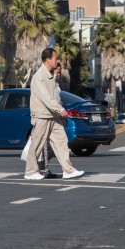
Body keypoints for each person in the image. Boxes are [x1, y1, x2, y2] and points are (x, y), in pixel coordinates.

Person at [25, 48, 84, 180]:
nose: (57, 61)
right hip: (42, 116)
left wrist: (59, 113)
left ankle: (68, 170)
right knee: (37, 143)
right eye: (55, 58)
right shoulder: (39, 77)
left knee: (61, 141)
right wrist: (60, 110)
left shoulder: (50, 76)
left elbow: (55, 97)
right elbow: (46, 98)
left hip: (53, 116)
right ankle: (30, 172)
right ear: (47, 60)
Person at [36, 62, 62, 179]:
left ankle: (43, 168)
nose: (59, 74)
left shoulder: (56, 84)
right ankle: (43, 169)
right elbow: (48, 99)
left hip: (55, 116)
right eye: (58, 71)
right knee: (45, 146)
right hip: (46, 116)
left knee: (51, 146)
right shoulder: (46, 82)